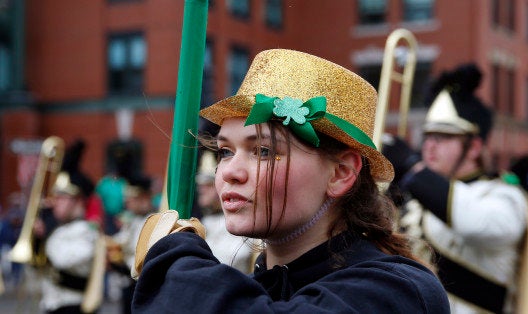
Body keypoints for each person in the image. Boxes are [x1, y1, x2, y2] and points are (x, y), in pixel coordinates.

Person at [131, 49, 449, 313]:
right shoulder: (257, 286)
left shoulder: (398, 290)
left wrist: (174, 261)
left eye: (265, 151)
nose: (230, 171)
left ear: (341, 173)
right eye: (226, 151)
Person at [383, 63, 528, 313]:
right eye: (428, 136)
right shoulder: (419, 193)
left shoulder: (506, 196)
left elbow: (477, 223)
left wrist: (414, 170)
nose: (430, 147)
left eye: (443, 137)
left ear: (474, 147)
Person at [39, 139, 101, 314]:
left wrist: (46, 234)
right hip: (51, 305)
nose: (55, 202)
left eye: (62, 197)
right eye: (55, 196)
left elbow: (62, 259)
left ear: (79, 201)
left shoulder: (87, 231)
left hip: (75, 307)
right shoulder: (59, 229)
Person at [196, 150, 253, 273]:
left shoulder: (242, 225)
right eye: (200, 184)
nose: (201, 189)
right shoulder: (203, 222)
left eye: (208, 184)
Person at [107, 174, 156, 314]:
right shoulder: (132, 221)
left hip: (141, 285)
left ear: (145, 198)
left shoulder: (152, 222)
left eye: (132, 198)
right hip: (128, 284)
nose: (128, 202)